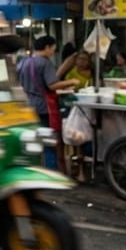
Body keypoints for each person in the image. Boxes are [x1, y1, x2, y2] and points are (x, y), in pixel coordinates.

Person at [17, 35, 79, 170]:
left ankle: (34, 169)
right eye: (52, 49)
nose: (52, 53)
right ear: (46, 47)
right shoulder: (44, 63)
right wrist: (72, 82)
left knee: (33, 141)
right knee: (48, 142)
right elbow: (52, 85)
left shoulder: (24, 62)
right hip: (43, 107)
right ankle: (51, 171)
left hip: (28, 106)